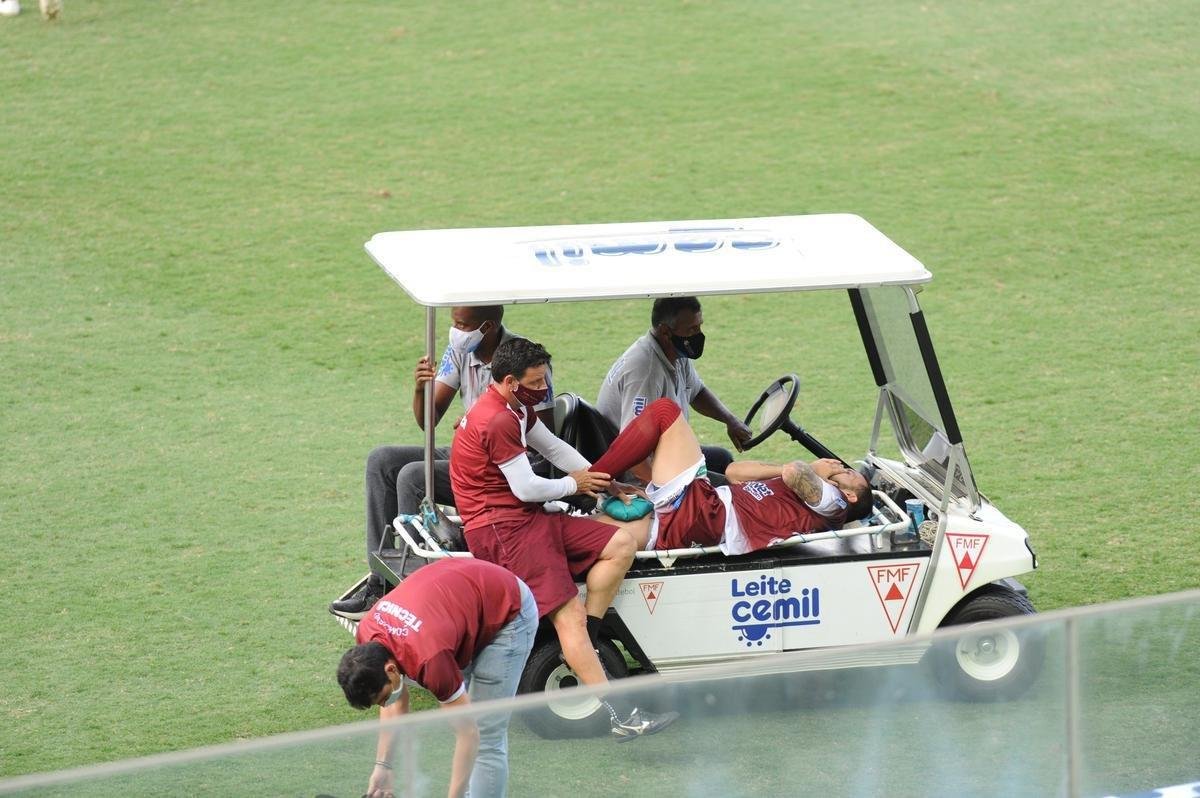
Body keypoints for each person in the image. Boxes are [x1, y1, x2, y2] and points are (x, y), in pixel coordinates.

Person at [449, 338, 677, 741]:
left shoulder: (514, 407)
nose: (544, 388)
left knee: (621, 543)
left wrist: (605, 485)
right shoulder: (498, 420)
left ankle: (586, 637)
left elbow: (553, 447)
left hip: (527, 520)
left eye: (544, 378)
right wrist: (575, 485)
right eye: (536, 381)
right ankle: (620, 714)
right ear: (508, 380)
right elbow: (525, 488)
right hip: (506, 530)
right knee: (565, 616)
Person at [331, 306, 554, 619]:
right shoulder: (461, 350)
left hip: (502, 465)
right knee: (382, 460)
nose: (455, 330)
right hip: (467, 449)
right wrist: (420, 388)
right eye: (453, 322)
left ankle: (416, 593)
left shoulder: (524, 360)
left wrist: (487, 421)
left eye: (462, 324)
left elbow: (542, 434)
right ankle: (381, 582)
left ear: (487, 326)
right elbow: (429, 422)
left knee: (412, 476)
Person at [337, 557, 538, 798]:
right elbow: (395, 704)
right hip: (458, 602)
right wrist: (383, 767)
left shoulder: (429, 660)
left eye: (383, 697)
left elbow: (469, 734)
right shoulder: (368, 635)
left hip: (509, 608)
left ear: (390, 670)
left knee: (485, 734)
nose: (384, 705)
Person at [586, 398, 873, 554]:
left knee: (664, 412)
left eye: (849, 473)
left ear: (850, 494)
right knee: (639, 449)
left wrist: (812, 469)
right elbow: (734, 471)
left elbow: (796, 472)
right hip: (707, 506)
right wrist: (783, 470)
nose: (843, 467)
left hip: (710, 516)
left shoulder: (834, 505)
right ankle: (585, 484)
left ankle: (588, 478)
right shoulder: (797, 491)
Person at [597, 297, 751, 479]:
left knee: (721, 459)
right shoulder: (646, 373)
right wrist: (666, 492)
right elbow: (634, 456)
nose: (698, 335)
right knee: (726, 486)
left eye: (699, 326)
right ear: (665, 332)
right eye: (692, 330)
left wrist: (730, 420)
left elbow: (697, 391)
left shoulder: (675, 353)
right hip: (638, 472)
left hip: (664, 455)